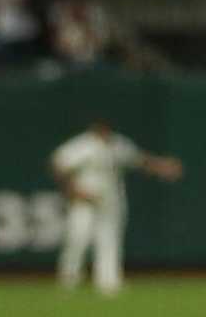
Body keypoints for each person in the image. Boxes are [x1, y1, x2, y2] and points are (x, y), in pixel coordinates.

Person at [49, 118, 184, 296]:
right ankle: (69, 279)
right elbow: (58, 164)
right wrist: (73, 190)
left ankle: (108, 281)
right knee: (79, 238)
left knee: (110, 240)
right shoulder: (82, 145)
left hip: (111, 199)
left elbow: (139, 160)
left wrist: (161, 167)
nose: (103, 131)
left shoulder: (118, 144)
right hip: (86, 198)